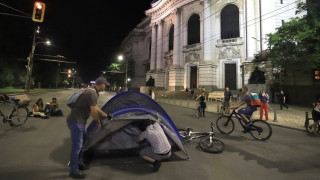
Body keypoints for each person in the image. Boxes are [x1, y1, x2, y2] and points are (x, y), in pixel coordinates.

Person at [67, 77, 109, 179]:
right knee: (77, 146)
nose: (106, 86)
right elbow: (93, 112)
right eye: (105, 84)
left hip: (79, 122)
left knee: (84, 140)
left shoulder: (93, 92)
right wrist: (99, 122)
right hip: (76, 122)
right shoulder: (92, 93)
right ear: (101, 84)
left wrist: (105, 114)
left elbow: (95, 107)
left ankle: (80, 163)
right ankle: (73, 171)